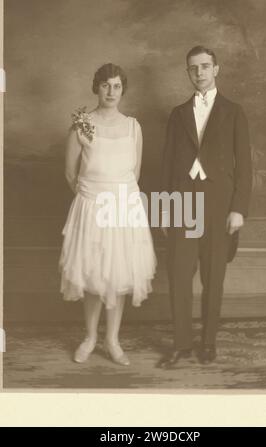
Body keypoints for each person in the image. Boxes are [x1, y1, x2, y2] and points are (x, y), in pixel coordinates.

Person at [158, 46, 252, 368]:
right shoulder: (178, 113)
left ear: (216, 69)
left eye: (205, 66)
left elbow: (246, 166)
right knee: (180, 276)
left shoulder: (234, 111)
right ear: (188, 73)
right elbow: (168, 164)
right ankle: (181, 344)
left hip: (218, 205)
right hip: (183, 204)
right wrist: (166, 211)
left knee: (214, 277)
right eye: (193, 68)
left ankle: (208, 343)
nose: (199, 73)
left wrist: (238, 208)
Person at [58, 63, 157, 365]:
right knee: (92, 274)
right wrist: (92, 199)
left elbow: (134, 172)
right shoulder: (83, 124)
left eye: (116, 86)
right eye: (105, 85)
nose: (111, 92)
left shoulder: (133, 127)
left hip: (124, 209)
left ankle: (113, 340)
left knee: (119, 274)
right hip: (91, 208)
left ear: (123, 89)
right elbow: (69, 172)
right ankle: (89, 337)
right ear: (96, 88)